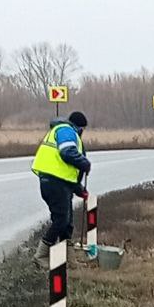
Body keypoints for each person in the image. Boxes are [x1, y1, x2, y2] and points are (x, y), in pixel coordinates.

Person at [31, 111, 91, 266]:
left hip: (59, 182)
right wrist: (84, 163)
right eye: (83, 129)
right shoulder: (66, 130)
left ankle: (69, 259)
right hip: (54, 182)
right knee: (61, 220)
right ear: (80, 127)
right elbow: (67, 153)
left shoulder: (65, 131)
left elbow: (66, 170)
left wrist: (79, 189)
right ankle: (41, 255)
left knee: (67, 222)